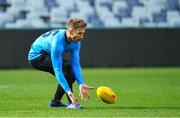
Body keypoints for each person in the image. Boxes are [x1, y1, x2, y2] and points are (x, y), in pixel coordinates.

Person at [28, 18, 93, 109]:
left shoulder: (76, 42)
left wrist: (81, 83)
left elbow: (76, 65)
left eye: (83, 33)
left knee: (71, 73)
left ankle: (56, 102)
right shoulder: (57, 43)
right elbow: (58, 70)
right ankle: (72, 103)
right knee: (66, 68)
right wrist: (69, 92)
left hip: (47, 54)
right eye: (79, 33)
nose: (82, 37)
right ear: (70, 31)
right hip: (36, 56)